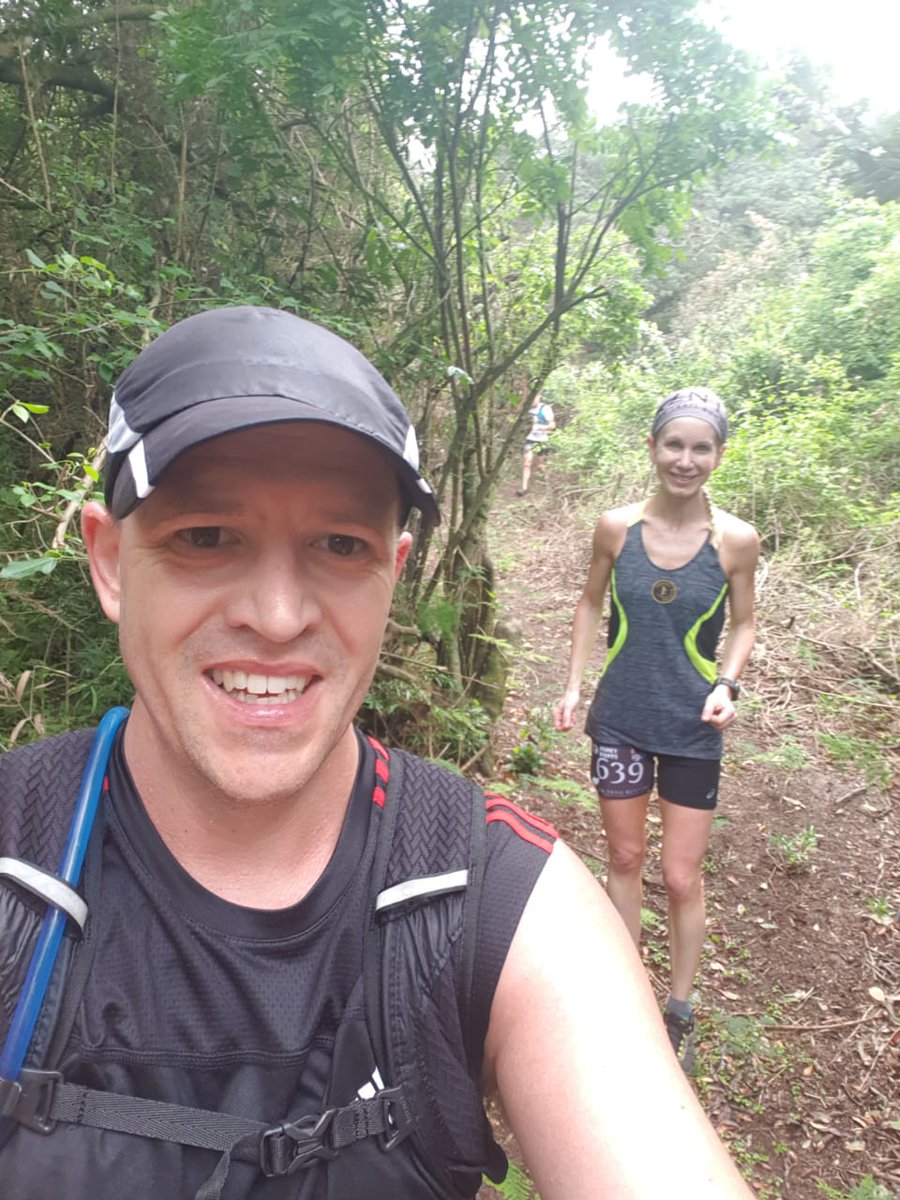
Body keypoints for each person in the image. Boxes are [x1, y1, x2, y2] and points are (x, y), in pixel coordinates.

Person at [0, 312, 756, 1200]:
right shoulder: (19, 856)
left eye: (339, 545)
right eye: (206, 537)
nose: (278, 617)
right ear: (111, 561)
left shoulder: (494, 896)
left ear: (392, 572)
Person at [553, 386, 760, 1075]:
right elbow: (588, 602)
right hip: (620, 720)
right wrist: (576, 686)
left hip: (692, 724)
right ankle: (624, 995)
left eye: (701, 448)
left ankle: (678, 1006)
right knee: (625, 861)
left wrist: (728, 685)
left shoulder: (735, 541)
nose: (686, 459)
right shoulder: (616, 527)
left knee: (678, 876)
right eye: (674, 444)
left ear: (718, 455)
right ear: (652, 447)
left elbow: (746, 622)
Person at [516, 393, 555, 495]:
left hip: (541, 440)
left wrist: (542, 427)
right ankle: (524, 488)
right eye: (531, 397)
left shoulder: (545, 409)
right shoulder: (526, 409)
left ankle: (548, 483)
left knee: (540, 465)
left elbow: (552, 425)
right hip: (530, 439)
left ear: (539, 397)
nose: (533, 400)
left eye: (535, 397)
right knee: (527, 463)